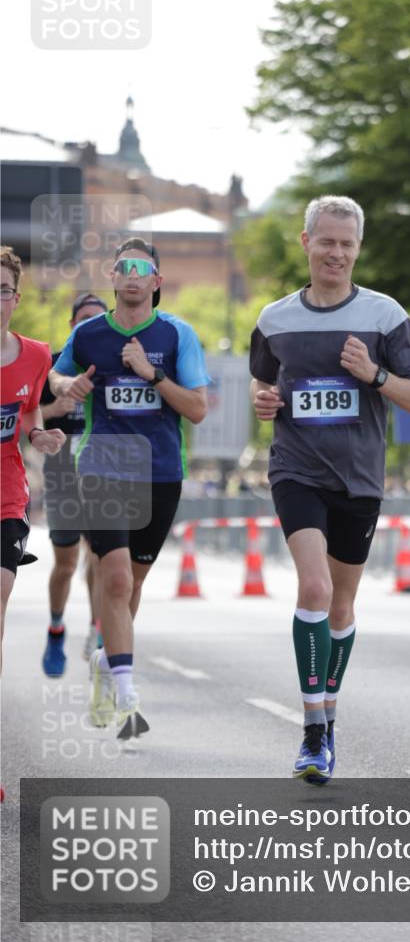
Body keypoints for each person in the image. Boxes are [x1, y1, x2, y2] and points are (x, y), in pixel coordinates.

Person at [249, 196, 410, 783]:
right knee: (314, 585)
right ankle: (311, 732)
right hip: (296, 471)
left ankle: (329, 718)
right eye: (326, 241)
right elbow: (263, 389)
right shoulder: (274, 319)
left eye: (346, 244)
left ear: (358, 248)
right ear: (306, 243)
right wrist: (264, 403)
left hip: (359, 478)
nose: (336, 252)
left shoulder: (384, 317)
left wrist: (374, 375)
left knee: (342, 604)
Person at [49, 238, 210, 739]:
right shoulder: (89, 334)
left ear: (157, 282)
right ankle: (126, 692)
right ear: (113, 278)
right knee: (114, 578)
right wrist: (65, 387)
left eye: (143, 269)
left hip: (161, 471)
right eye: (124, 268)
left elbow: (198, 409)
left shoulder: (177, 334)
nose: (133, 275)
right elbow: (55, 374)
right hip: (101, 464)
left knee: (133, 584)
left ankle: (107, 659)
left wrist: (151, 373)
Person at [1, 246, 66, 663]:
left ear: (16, 298)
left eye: (3, 290)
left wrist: (38, 435)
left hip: (6, 496)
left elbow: (28, 410)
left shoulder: (36, 355)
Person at [40, 292, 109, 676]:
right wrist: (54, 410)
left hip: (102, 472)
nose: (87, 325)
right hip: (62, 473)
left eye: (95, 319)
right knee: (66, 563)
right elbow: (26, 418)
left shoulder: (112, 367)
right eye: (82, 319)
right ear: (71, 325)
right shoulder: (51, 368)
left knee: (100, 557)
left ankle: (97, 632)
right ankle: (55, 628)